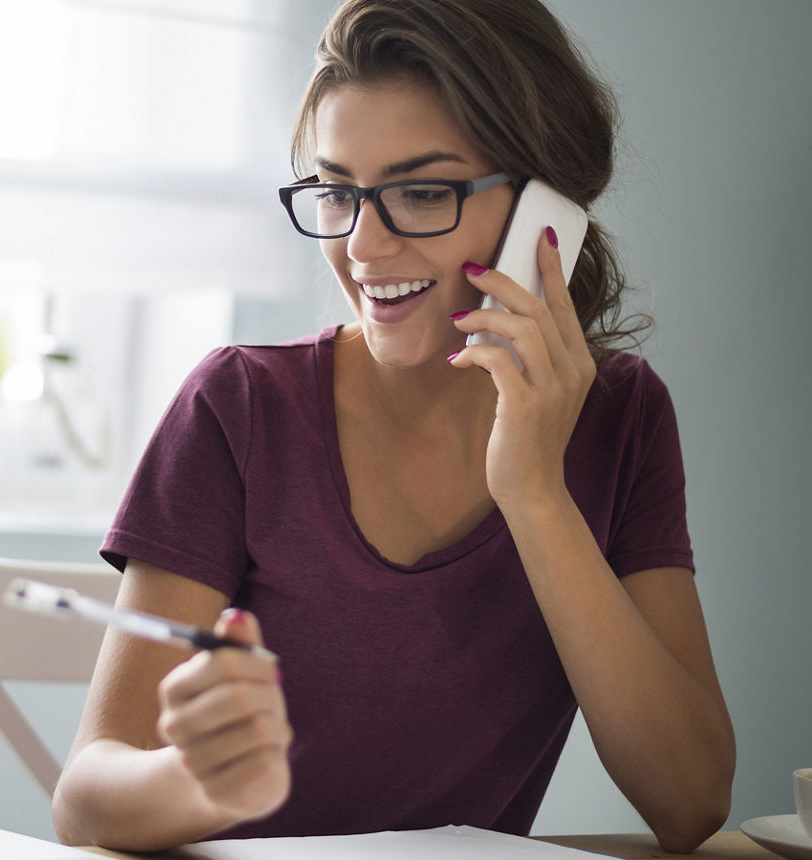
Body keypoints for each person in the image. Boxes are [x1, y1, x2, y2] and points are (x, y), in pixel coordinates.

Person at [50, 0, 735, 852]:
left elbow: (691, 798)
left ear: (544, 215)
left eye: (420, 192)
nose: (363, 246)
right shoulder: (239, 407)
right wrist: (199, 779)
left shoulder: (620, 418)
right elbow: (84, 795)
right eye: (338, 192)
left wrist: (535, 494)